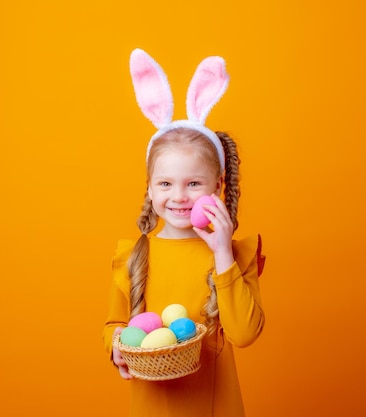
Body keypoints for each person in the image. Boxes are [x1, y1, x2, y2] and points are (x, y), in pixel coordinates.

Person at [103, 49, 265, 417]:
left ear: (218, 185)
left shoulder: (236, 256)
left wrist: (222, 252)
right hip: (151, 406)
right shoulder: (133, 256)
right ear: (149, 187)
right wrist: (114, 342)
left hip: (214, 407)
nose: (178, 196)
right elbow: (115, 323)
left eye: (194, 183)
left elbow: (244, 334)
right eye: (165, 183)